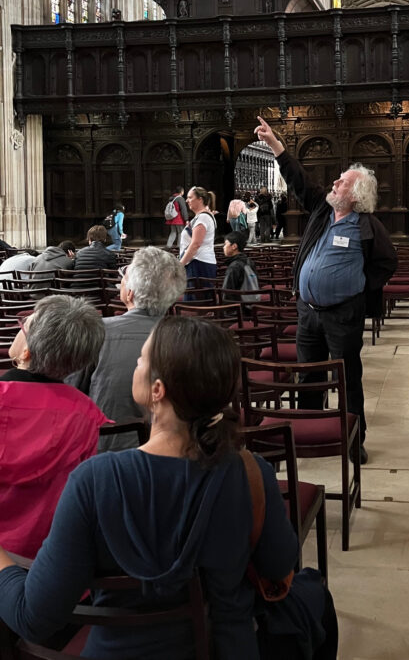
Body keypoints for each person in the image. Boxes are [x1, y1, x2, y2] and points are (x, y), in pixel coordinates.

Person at [0, 316, 337, 660]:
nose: (136, 362)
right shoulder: (250, 472)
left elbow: (33, 618)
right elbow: (280, 566)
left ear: (157, 390)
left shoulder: (94, 482)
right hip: (225, 647)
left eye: (141, 358)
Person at [254, 116, 397, 463]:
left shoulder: (367, 225)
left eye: (342, 181)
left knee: (347, 377)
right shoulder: (322, 210)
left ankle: (353, 440)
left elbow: (386, 263)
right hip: (308, 312)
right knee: (309, 376)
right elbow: (299, 180)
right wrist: (275, 145)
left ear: (356, 194)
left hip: (342, 315)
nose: (335, 182)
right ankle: (310, 435)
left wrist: (358, 289)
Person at [0, 295, 108, 558]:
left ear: (26, 352)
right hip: (47, 553)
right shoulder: (86, 414)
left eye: (23, 326)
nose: (19, 329)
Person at [86, 247, 186, 451]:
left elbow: (71, 393)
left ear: (129, 293)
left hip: (104, 451)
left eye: (123, 277)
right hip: (174, 452)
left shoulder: (95, 332)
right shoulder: (189, 338)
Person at [179, 187, 217, 295]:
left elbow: (195, 244)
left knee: (197, 301)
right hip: (198, 262)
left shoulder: (203, 218)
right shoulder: (201, 216)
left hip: (198, 264)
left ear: (200, 199)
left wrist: (180, 265)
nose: (187, 201)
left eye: (190, 197)